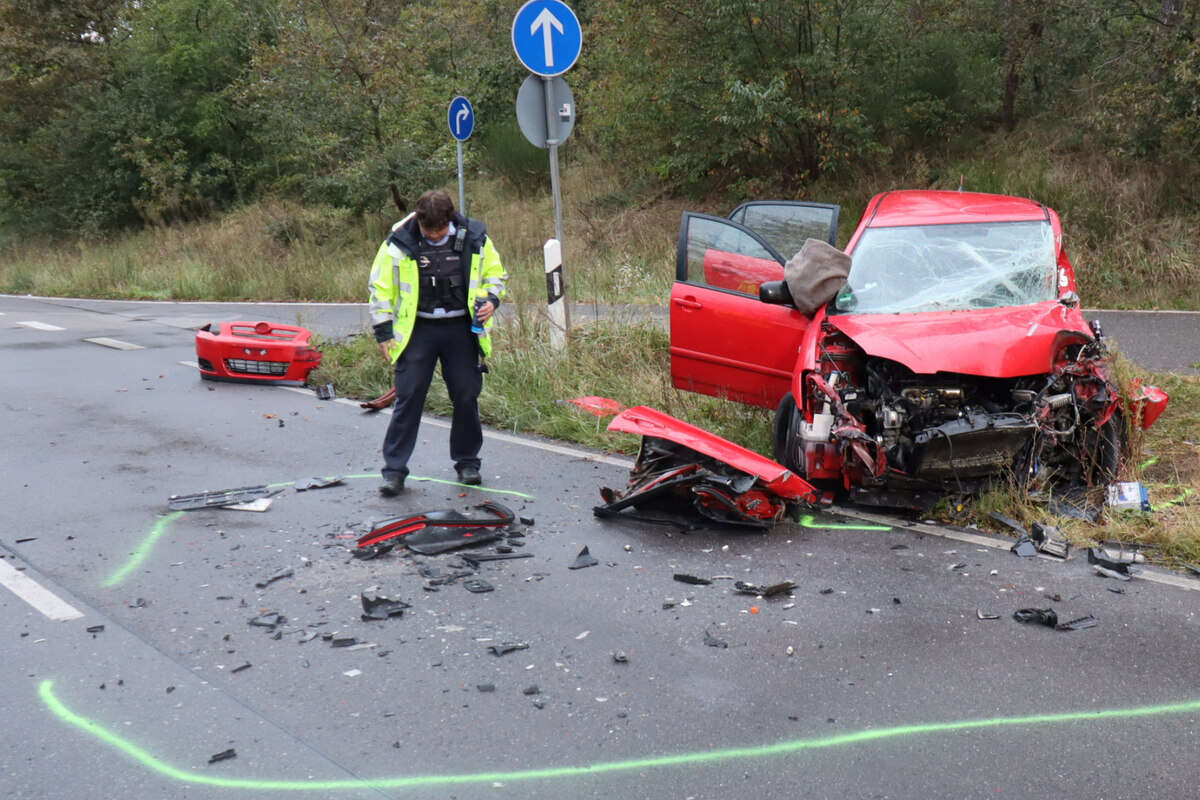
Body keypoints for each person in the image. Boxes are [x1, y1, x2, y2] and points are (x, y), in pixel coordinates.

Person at [368, 190, 507, 496]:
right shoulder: (398, 243)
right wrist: (383, 332)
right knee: (409, 397)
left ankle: (468, 462)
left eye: (438, 230)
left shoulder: (476, 238)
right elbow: (380, 289)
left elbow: (496, 274)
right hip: (419, 330)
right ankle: (394, 471)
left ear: (450, 220)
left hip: (462, 329)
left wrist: (492, 300)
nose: (432, 236)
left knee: (467, 396)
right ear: (417, 220)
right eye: (427, 230)